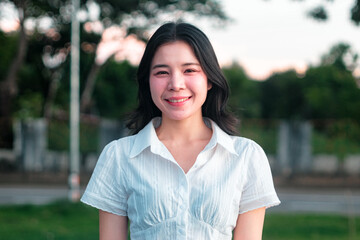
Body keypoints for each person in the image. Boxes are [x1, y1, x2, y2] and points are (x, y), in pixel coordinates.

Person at [81, 22, 280, 240]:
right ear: (148, 81)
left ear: (209, 79)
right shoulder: (119, 156)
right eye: (162, 72)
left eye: (189, 70)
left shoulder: (246, 156)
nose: (176, 84)